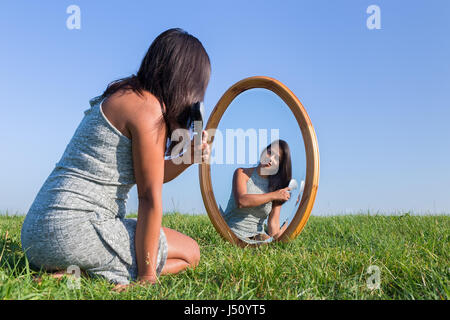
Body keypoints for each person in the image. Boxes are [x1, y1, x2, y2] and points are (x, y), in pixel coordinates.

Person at [20, 28, 211, 291]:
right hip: (75, 230)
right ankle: (90, 272)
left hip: (36, 232)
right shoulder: (148, 109)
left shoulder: (125, 95)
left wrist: (188, 158)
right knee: (190, 253)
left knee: (168, 249)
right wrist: (146, 278)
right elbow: (149, 196)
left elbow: (151, 174)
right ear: (187, 83)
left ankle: (76, 272)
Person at [220, 140, 292, 242]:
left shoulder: (276, 188)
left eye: (277, 158)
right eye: (270, 152)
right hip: (231, 234)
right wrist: (273, 195)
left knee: (266, 244)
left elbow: (273, 225)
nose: (270, 159)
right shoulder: (242, 173)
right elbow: (242, 201)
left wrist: (293, 218)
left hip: (258, 238)